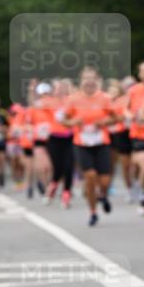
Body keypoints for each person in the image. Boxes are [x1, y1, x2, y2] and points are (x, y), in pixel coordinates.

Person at [59, 66, 120, 226]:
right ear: (81, 81)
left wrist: (103, 122)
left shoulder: (105, 98)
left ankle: (103, 194)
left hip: (101, 142)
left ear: (97, 80)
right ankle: (93, 212)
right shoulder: (73, 99)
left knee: (105, 181)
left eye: (92, 78)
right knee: (90, 176)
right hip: (82, 143)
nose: (89, 81)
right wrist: (74, 122)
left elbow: (116, 118)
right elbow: (64, 121)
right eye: (86, 78)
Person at [126, 62, 144, 215]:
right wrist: (130, 116)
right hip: (139, 136)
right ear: (140, 74)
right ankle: (143, 193)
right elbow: (125, 109)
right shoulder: (134, 90)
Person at [45, 78, 75, 208]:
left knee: (69, 167)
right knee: (58, 167)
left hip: (70, 137)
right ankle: (53, 185)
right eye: (57, 88)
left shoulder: (72, 101)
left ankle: (66, 194)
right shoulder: (49, 101)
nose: (60, 90)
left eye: (62, 88)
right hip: (54, 138)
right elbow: (33, 102)